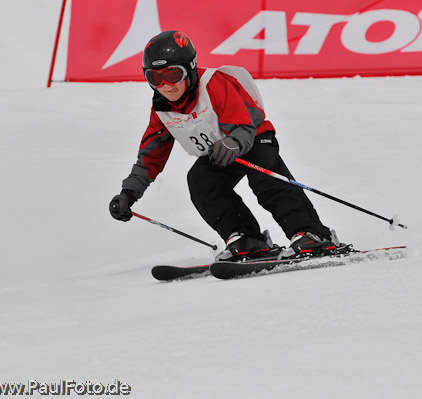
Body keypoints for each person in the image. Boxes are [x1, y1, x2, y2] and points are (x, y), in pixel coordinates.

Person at [109, 30, 340, 261]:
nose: (166, 85)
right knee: (201, 180)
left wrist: (234, 142)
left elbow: (245, 125)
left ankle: (311, 233)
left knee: (266, 180)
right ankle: (247, 238)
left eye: (172, 74)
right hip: (220, 154)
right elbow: (150, 157)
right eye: (155, 78)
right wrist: (128, 194)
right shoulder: (162, 110)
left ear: (190, 69)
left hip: (254, 139)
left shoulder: (214, 84)